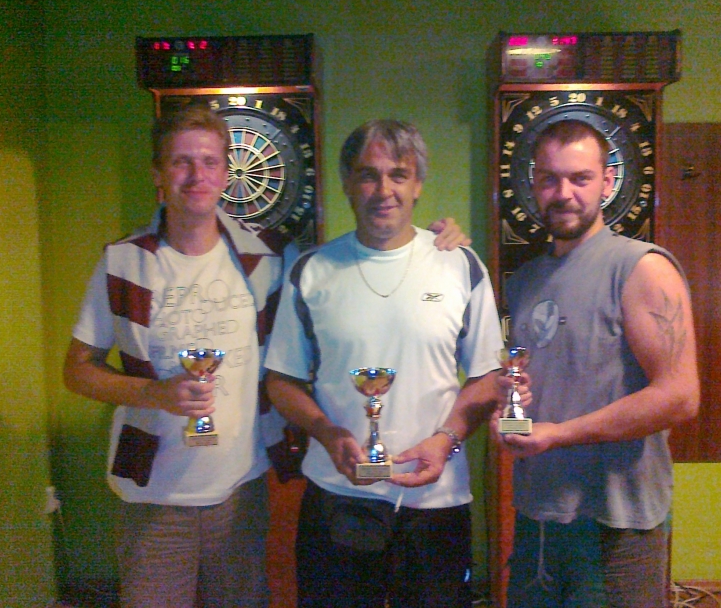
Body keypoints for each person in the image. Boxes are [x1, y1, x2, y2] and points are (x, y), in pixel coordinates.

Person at [62, 105, 470, 608]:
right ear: (158, 174)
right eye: (181, 162)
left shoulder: (270, 256)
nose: (197, 176)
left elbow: (364, 263)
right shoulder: (124, 261)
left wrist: (437, 241)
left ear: (226, 172)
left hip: (245, 487)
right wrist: (153, 393)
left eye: (210, 162)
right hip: (152, 493)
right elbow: (77, 370)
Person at [263, 119, 506, 608]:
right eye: (368, 175)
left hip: (435, 498)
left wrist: (447, 439)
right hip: (338, 494)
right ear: (347, 183)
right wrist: (326, 433)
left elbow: (488, 376)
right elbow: (281, 380)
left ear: (418, 185)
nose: (383, 189)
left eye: (398, 174)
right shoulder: (311, 270)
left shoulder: (460, 265)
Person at [492, 119, 700, 608]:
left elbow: (680, 397)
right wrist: (511, 410)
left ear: (607, 182)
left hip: (617, 523)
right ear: (533, 184)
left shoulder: (642, 268)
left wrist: (558, 434)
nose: (563, 193)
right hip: (538, 515)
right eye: (549, 179)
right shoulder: (524, 281)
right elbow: (543, 382)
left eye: (580, 178)